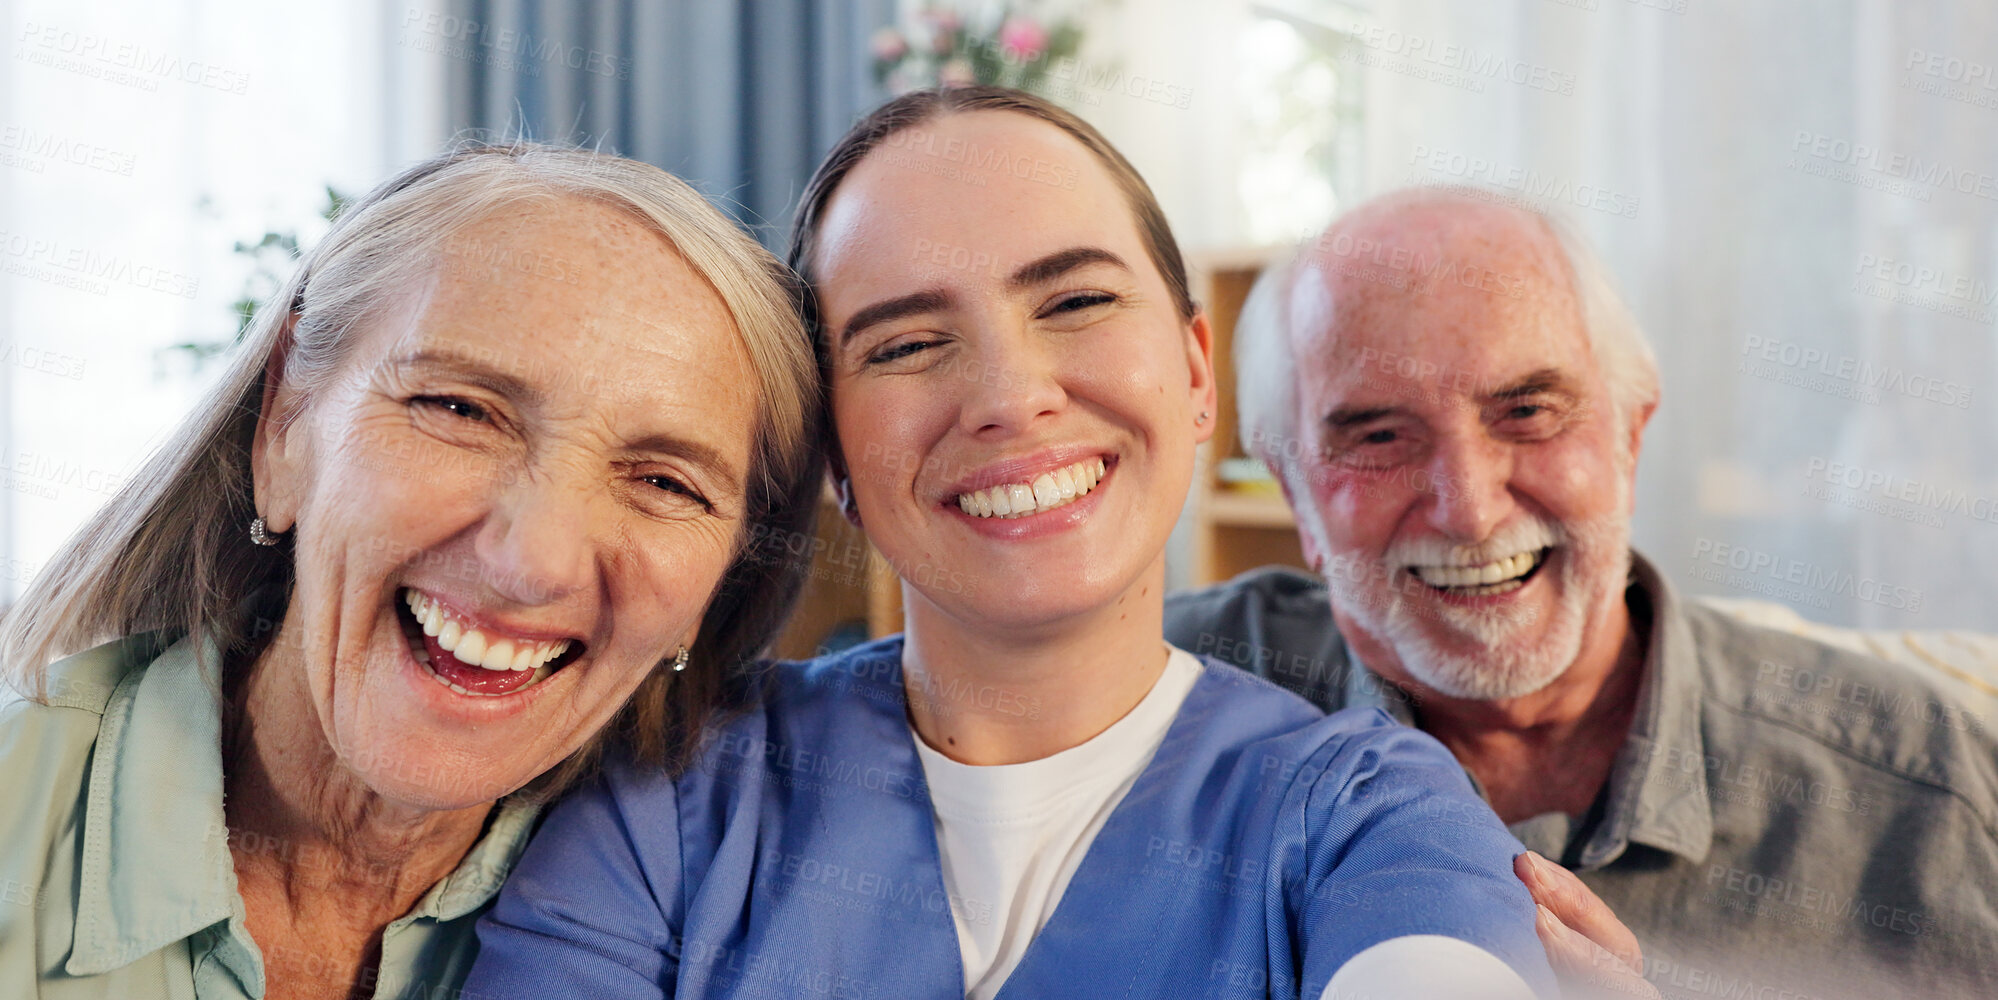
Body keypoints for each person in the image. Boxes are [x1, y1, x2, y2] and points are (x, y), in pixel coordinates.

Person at [466, 88, 1556, 1000]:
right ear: (832, 455)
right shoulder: (669, 799)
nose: (1010, 396)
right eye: (905, 342)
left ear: (1192, 373)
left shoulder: (1372, 813)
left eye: (1077, 299)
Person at [0, 141, 824, 1000]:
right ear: (287, 421)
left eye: (663, 482)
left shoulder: (728, 914)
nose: (529, 565)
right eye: (460, 409)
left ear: (713, 588)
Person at [1163, 187, 1998, 999]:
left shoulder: (1925, 793)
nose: (1470, 511)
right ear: (1295, 492)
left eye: (1527, 411)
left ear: (1630, 437)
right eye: (1380, 435)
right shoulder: (1152, 699)